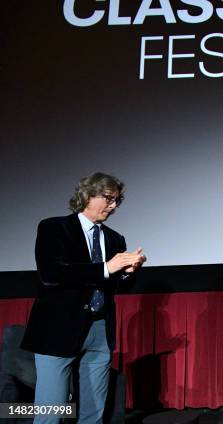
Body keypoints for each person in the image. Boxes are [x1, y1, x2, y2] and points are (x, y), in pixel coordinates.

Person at [21, 172, 146, 423]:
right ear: (88, 195)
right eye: (109, 199)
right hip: (58, 329)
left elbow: (115, 285)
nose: (113, 206)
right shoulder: (53, 227)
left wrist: (127, 274)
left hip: (99, 327)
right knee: (51, 411)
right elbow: (51, 274)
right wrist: (105, 268)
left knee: (93, 412)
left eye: (117, 201)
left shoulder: (114, 238)